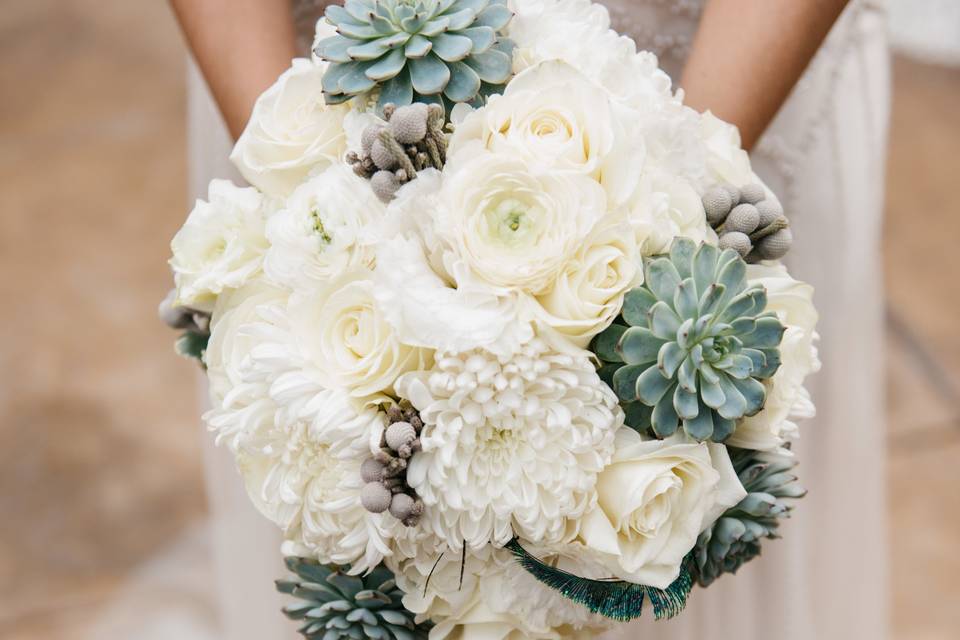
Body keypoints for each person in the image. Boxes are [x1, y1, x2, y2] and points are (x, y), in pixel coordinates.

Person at [169, 1, 889, 639]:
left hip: (737, 75)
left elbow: (694, 204)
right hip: (302, 84)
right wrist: (305, 185)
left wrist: (676, 208)